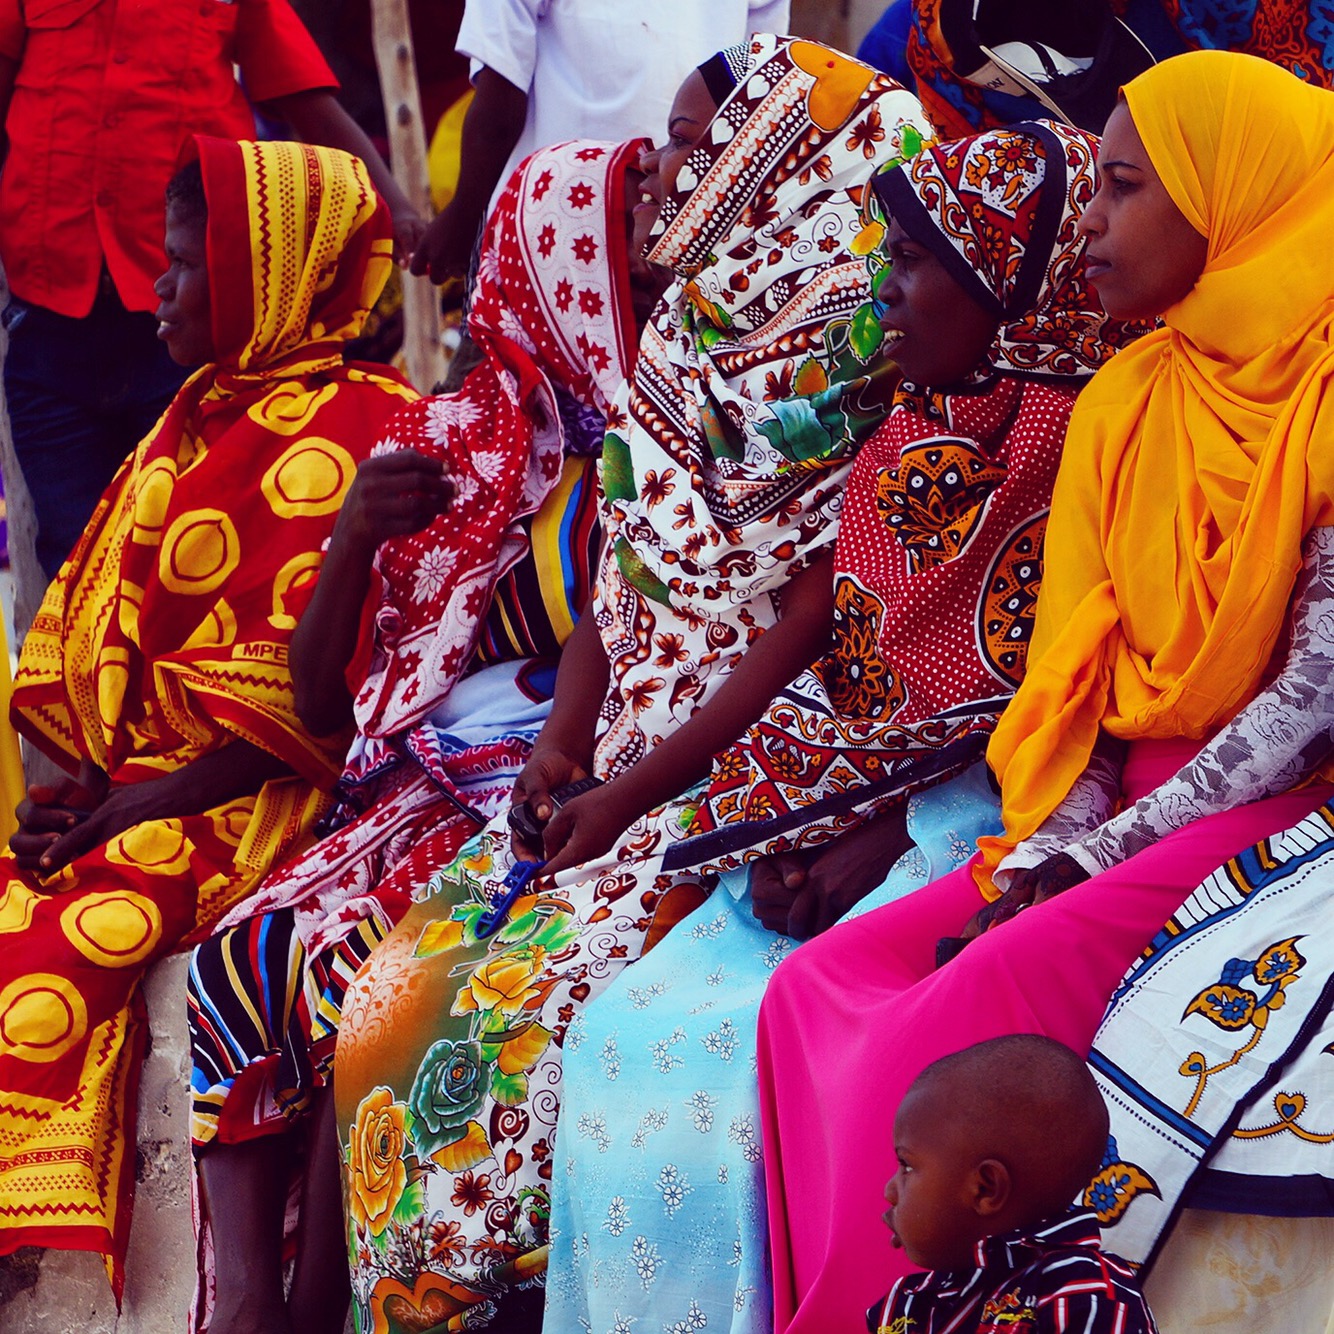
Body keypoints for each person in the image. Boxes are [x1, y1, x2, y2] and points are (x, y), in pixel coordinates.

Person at [332, 36, 929, 1331]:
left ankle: (493, 1300)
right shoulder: (688, 329)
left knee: (517, 1042)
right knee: (386, 1002)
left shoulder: (871, 359)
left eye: (693, 144)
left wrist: (631, 787)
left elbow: (802, 624)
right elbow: (627, 549)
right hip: (618, 753)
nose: (657, 170)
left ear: (777, 169)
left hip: (735, 775)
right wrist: (566, 735)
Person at [758, 48, 1334, 1334]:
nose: (1090, 220)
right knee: (808, 992)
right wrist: (1052, 840)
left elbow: (1308, 700)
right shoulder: (1127, 396)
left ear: (1231, 198)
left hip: (1271, 810)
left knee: (952, 1012)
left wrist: (1089, 857)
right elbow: (1079, 672)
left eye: (1124, 188)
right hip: (1110, 805)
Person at [544, 119, 1143, 1334]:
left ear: (1005, 281)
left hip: (983, 808)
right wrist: (633, 796)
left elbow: (1056, 696)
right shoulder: (906, 425)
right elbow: (803, 638)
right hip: (842, 792)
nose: (883, 290)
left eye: (916, 262)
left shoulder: (1079, 443)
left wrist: (874, 834)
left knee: (741, 1073)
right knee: (614, 1029)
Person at [186, 133, 668, 1334]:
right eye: (628, 256)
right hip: (415, 781)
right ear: (557, 271)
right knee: (239, 955)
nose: (657, 273)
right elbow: (321, 703)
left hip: (550, 783)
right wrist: (351, 539)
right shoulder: (454, 443)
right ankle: (241, 1301)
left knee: (357, 979)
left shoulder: (657, 452)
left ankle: (315, 1306)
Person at [0, 135, 416, 1296]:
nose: (158, 290)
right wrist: (84, 795)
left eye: (183, 265)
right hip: (155, 789)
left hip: (263, 797)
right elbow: (122, 663)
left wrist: (146, 802)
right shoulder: (191, 417)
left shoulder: (361, 428)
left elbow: (318, 714)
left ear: (266, 276)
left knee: (50, 945)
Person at [0, 0, 424, 583]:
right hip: (50, 315)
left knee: (186, 540)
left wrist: (398, 207)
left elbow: (304, 97)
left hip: (185, 329)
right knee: (73, 553)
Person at [408, 0, 790, 283]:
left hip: (547, 231)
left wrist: (463, 218)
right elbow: (757, 94)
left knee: (509, 361)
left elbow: (502, 98)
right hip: (678, 230)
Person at [872, 1036, 1158, 1333]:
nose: (889, 1191)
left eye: (907, 1166)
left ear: (985, 1189)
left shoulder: (1085, 1294)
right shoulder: (908, 1306)